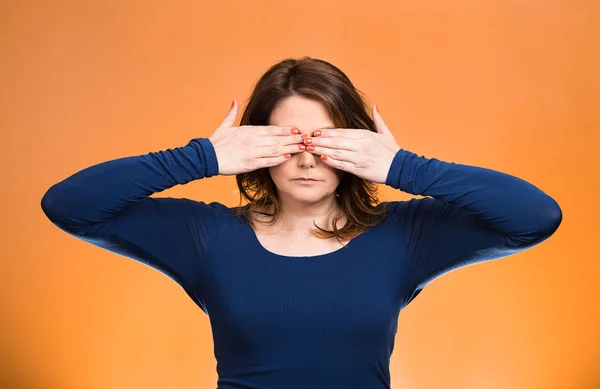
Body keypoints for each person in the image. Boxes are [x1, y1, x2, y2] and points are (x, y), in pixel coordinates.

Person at [40, 56, 562, 389]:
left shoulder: (405, 234)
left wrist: (403, 166)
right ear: (258, 148)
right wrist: (200, 157)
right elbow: (70, 205)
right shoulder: (206, 236)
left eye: (328, 142)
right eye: (288, 141)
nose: (308, 159)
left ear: (356, 146)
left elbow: (534, 216)